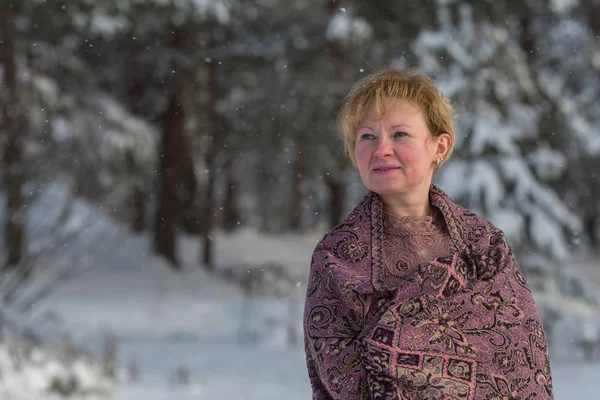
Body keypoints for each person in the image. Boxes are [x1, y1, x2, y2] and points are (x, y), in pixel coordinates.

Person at [303, 69, 553, 400]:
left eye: (400, 134)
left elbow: (522, 360)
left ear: (439, 146)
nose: (382, 150)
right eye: (367, 137)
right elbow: (339, 375)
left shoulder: (483, 244)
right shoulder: (336, 256)